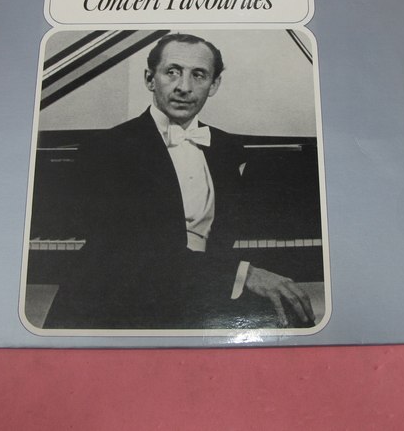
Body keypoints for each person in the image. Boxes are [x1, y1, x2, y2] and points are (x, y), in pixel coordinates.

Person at [43, 33, 314, 330]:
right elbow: (131, 253)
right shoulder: (106, 148)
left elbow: (226, 234)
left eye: (198, 75)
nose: (184, 87)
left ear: (214, 85)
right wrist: (242, 274)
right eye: (172, 72)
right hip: (119, 301)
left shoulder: (225, 146)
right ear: (150, 79)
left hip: (201, 290)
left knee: (296, 316)